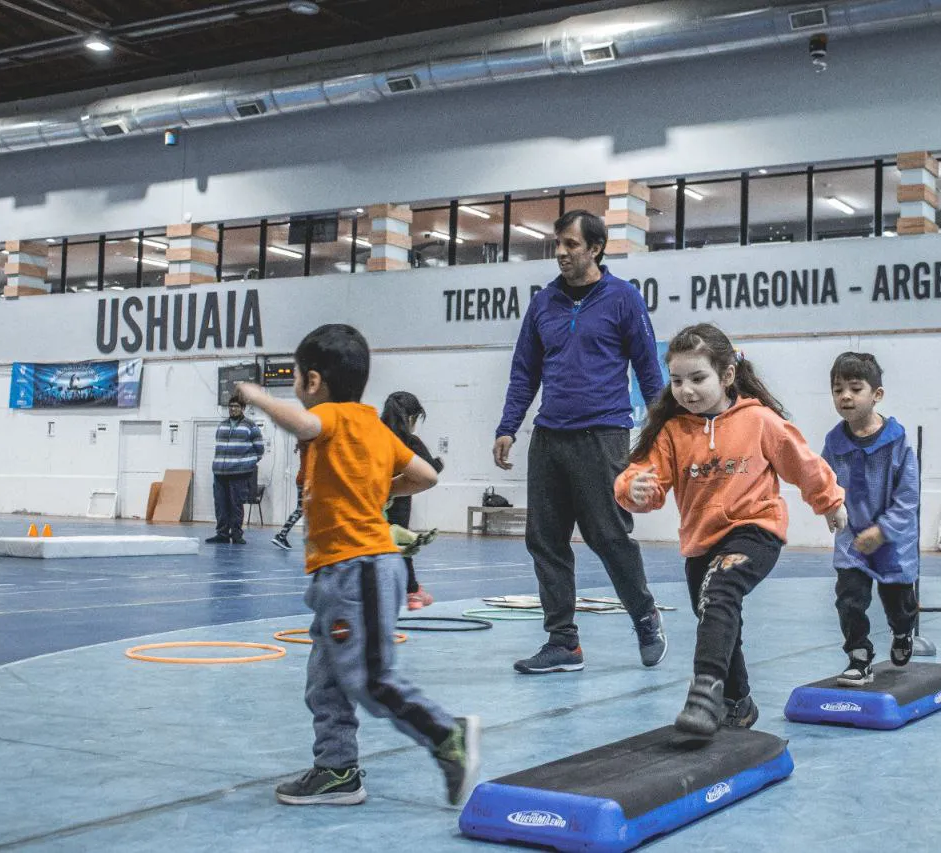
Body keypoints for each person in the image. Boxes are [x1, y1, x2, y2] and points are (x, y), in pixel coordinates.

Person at [235, 324, 480, 807]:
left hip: (358, 568)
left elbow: (304, 425)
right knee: (326, 680)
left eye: (298, 379)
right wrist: (376, 488)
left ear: (312, 381)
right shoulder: (373, 426)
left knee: (370, 678)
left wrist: (258, 397)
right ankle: (337, 770)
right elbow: (426, 476)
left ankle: (447, 735)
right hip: (343, 572)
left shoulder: (332, 417)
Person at [614, 324, 845, 738]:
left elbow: (802, 463)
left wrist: (829, 502)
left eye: (698, 378)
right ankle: (738, 704)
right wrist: (632, 489)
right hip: (702, 541)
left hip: (755, 530)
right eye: (677, 380)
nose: (686, 390)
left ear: (726, 375)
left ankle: (705, 694)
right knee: (717, 616)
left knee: (719, 591)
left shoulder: (758, 421)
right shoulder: (672, 431)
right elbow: (646, 481)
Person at [494, 210, 667, 675]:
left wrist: (664, 432)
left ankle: (645, 617)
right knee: (544, 540)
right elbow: (524, 371)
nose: (561, 253)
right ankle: (563, 642)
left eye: (571, 244)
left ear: (595, 248)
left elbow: (650, 371)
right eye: (558, 244)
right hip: (550, 437)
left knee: (608, 536)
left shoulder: (623, 299)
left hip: (602, 436)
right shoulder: (544, 303)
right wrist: (508, 426)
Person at [820, 352, 920, 686]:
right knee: (849, 599)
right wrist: (828, 505)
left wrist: (883, 530)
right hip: (852, 538)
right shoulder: (833, 443)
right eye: (837, 389)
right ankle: (858, 656)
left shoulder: (899, 443)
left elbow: (908, 498)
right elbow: (823, 481)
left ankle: (903, 631)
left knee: (898, 602)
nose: (845, 396)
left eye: (854, 388)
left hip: (893, 539)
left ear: (876, 395)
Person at [381, 391, 443, 610]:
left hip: (370, 500)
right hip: (398, 499)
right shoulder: (409, 442)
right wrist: (438, 463)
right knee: (402, 546)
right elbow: (429, 471)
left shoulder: (374, 434)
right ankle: (412, 592)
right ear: (411, 418)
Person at [206, 395, 265, 545]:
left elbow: (260, 450)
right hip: (219, 472)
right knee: (220, 504)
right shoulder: (222, 425)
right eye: (231, 406)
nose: (233, 409)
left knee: (236, 505)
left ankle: (237, 535)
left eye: (236, 406)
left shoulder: (250, 426)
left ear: (243, 408)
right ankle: (222, 534)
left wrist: (246, 464)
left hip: (239, 473)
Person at [272, 441, 308, 550]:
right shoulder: (313, 445)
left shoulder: (305, 443)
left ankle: (282, 535)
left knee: (301, 509)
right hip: (309, 480)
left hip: (302, 479)